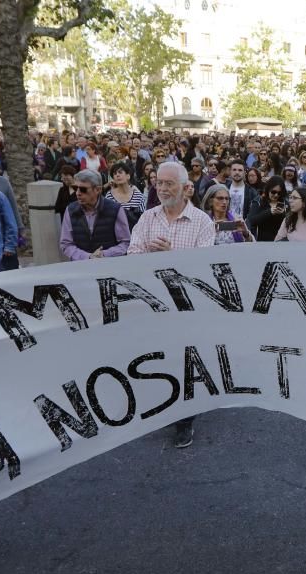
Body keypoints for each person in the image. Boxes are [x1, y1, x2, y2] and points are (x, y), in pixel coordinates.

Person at [128, 162, 214, 449]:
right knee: (161, 360)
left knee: (186, 361)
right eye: (159, 183)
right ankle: (166, 407)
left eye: (169, 184)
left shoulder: (202, 222)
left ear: (185, 187)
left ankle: (185, 420)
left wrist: (171, 256)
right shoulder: (148, 219)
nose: (163, 188)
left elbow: (204, 269)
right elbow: (131, 254)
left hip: (187, 306)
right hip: (154, 306)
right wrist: (149, 257)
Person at [60, 168, 130, 261]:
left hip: (109, 268)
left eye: (83, 189)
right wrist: (87, 257)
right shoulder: (70, 210)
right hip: (80, 269)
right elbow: (66, 244)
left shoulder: (115, 209)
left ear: (98, 189)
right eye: (75, 188)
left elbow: (125, 243)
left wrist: (104, 254)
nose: (78, 193)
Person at [104, 162, 146, 230]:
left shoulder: (139, 196)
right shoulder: (109, 196)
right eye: (115, 174)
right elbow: (107, 219)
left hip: (135, 234)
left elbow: (144, 219)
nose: (117, 175)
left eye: (120, 172)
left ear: (128, 176)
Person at [246, 176, 287, 242]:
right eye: (273, 192)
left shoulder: (285, 203)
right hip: (261, 241)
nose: (276, 195)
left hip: (280, 242)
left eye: (279, 193)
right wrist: (269, 212)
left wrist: (283, 214)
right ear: (268, 189)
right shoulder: (258, 201)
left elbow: (291, 222)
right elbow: (252, 221)